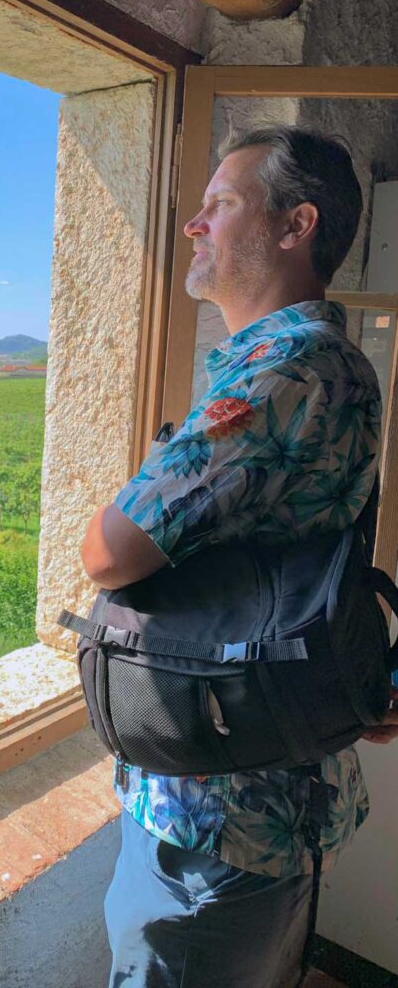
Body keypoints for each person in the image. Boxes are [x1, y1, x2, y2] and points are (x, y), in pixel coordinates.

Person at [81, 126, 398, 988]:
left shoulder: (280, 373)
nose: (193, 223)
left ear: (296, 226)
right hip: (276, 771)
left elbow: (106, 551)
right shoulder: (336, 361)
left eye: (220, 204)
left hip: (216, 814)